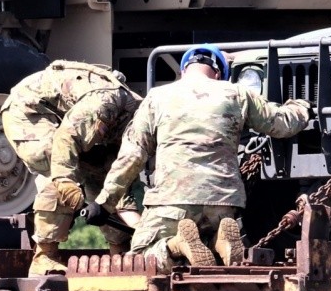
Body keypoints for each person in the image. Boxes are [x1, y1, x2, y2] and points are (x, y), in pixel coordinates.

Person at [94, 45, 312, 267]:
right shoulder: (237, 94)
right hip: (223, 203)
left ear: (184, 70)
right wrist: (301, 106)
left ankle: (176, 245)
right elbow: (281, 124)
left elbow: (132, 155)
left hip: (172, 202)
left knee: (141, 258)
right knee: (205, 245)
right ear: (218, 73)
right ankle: (219, 241)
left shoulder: (157, 97)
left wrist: (105, 202)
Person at [0, 59, 142, 275]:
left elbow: (120, 179)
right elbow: (66, 139)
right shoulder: (107, 103)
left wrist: (141, 230)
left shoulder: (137, 126)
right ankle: (45, 256)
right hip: (31, 111)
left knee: (102, 172)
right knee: (58, 168)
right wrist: (67, 183)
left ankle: (120, 251)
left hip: (69, 119)